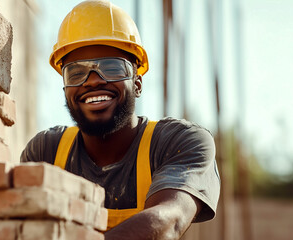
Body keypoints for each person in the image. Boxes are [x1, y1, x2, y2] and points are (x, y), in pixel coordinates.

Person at [21, 0, 220, 239]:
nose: (93, 80)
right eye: (76, 72)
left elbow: (169, 219)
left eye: (112, 68)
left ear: (137, 83)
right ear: (65, 88)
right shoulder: (46, 154)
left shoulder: (177, 143)